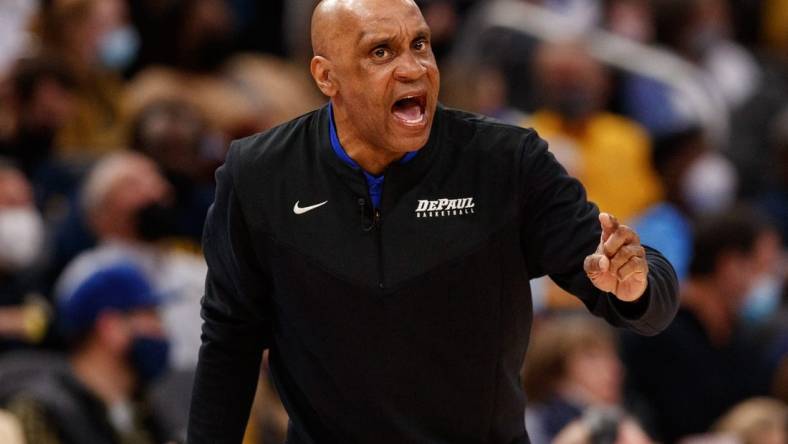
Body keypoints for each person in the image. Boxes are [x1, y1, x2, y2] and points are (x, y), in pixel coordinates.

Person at [187, 1, 679, 443]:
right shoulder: (260, 176)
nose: (413, 68)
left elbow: (643, 299)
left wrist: (633, 286)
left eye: (420, 44)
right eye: (381, 52)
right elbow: (231, 339)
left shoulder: (505, 161)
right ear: (326, 76)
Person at [621, 208, 777, 442]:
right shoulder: (655, 331)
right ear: (730, 265)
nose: (769, 279)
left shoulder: (739, 338)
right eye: (763, 266)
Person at [3, 263, 170, 444]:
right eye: (150, 316)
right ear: (111, 327)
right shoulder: (43, 409)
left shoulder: (143, 408)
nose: (162, 330)